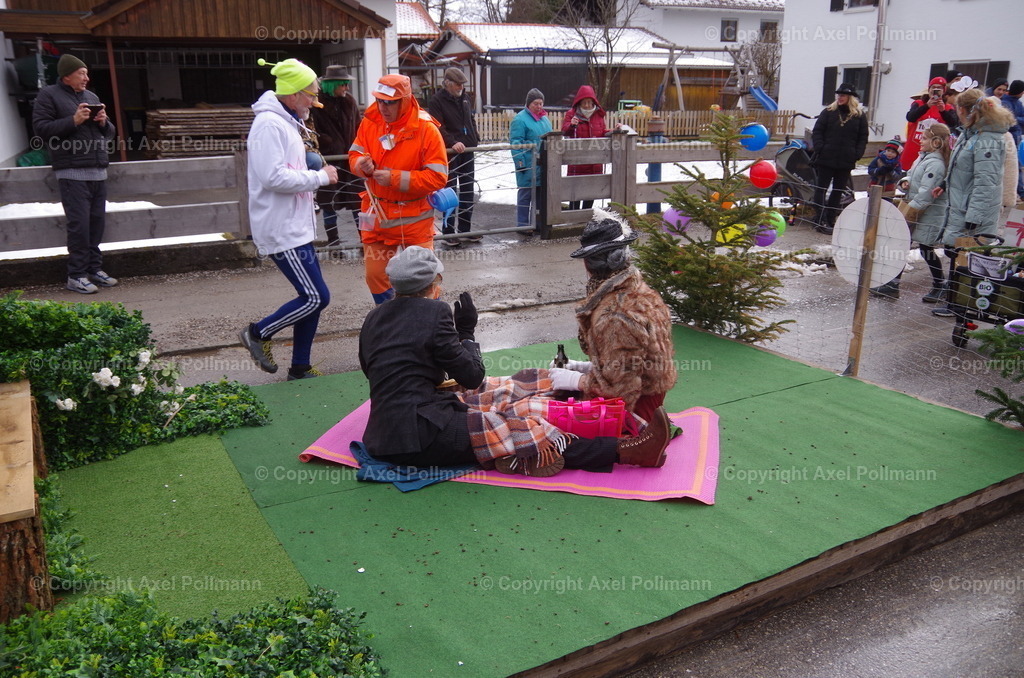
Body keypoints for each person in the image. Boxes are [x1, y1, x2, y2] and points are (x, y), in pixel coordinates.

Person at [358, 245, 671, 478]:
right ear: (434, 281)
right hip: (419, 438)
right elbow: (471, 376)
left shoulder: (374, 317)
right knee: (515, 425)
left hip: (383, 434)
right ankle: (627, 451)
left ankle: (561, 410)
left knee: (508, 388)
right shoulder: (435, 312)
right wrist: (466, 334)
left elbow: (374, 369)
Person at [238, 58, 338, 381]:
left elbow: (286, 171)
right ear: (293, 95)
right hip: (282, 228)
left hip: (294, 226)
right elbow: (273, 178)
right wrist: (319, 177)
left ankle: (300, 367)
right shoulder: (269, 124)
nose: (314, 102)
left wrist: (311, 174)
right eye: (310, 95)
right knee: (315, 296)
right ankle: (258, 332)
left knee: (313, 297)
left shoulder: (285, 121)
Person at [349, 74, 448, 304]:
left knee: (425, 278)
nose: (383, 107)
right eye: (380, 101)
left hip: (414, 219)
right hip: (377, 217)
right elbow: (354, 155)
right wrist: (360, 165)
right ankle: (391, 320)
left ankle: (431, 322)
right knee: (375, 277)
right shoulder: (370, 122)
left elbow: (438, 177)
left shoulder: (426, 129)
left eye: (389, 102)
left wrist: (395, 179)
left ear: (405, 101)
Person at [32, 53, 118, 294]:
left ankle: (94, 269)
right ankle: (76, 275)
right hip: (71, 172)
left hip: (98, 171)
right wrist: (74, 120)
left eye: (87, 73)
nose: (86, 78)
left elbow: (109, 133)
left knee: (96, 225)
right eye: (82, 73)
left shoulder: (91, 97)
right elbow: (41, 130)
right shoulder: (48, 95)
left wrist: (103, 122)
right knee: (79, 226)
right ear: (67, 76)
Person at [932, 89, 1015, 318]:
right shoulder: (972, 134)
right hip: (961, 204)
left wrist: (974, 218)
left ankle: (962, 304)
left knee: (968, 256)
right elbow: (963, 169)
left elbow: (986, 182)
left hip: (973, 211)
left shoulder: (988, 139)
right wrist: (946, 184)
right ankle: (956, 300)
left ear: (964, 110)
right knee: (956, 252)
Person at [872, 125, 951, 301]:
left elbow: (926, 193)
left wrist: (908, 212)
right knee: (906, 245)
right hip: (917, 208)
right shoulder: (923, 158)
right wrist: (906, 182)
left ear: (936, 142)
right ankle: (894, 283)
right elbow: (912, 176)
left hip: (926, 212)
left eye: (924, 138)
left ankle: (939, 284)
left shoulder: (936, 164)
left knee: (925, 248)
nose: (919, 141)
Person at [427, 67, 481, 247]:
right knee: (449, 192)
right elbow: (437, 127)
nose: (461, 87)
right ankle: (448, 231)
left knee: (467, 189)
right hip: (450, 152)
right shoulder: (437, 101)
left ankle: (465, 228)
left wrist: (475, 137)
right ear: (448, 84)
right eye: (458, 84)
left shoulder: (465, 98)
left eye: (462, 84)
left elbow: (470, 119)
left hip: (467, 149)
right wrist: (451, 142)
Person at [309, 65, 361, 246]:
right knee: (329, 203)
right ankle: (333, 241)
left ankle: (365, 240)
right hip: (328, 160)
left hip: (350, 160)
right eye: (343, 84)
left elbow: (359, 127)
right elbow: (311, 131)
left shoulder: (350, 102)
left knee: (357, 201)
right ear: (333, 85)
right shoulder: (316, 104)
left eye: (347, 84)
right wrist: (328, 141)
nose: (346, 88)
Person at [810, 83, 869, 235]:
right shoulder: (828, 112)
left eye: (843, 95)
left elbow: (863, 137)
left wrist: (857, 154)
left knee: (838, 190)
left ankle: (831, 218)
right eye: (839, 95)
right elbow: (817, 132)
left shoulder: (859, 116)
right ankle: (820, 218)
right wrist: (820, 148)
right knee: (821, 189)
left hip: (846, 160)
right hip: (826, 158)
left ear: (850, 97)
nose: (839, 98)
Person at [510, 88, 552, 235]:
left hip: (543, 164)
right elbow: (516, 143)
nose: (539, 106)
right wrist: (520, 163)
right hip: (528, 164)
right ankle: (522, 225)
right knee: (526, 195)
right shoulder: (520, 120)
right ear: (529, 103)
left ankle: (538, 223)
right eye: (536, 103)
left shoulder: (545, 119)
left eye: (541, 103)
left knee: (541, 196)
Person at [561, 85, 607, 211]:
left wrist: (614, 131)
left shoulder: (599, 115)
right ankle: (573, 217)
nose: (587, 105)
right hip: (577, 161)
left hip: (595, 160)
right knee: (575, 190)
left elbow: (602, 132)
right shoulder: (571, 114)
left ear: (593, 102)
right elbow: (564, 131)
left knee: (591, 190)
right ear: (579, 102)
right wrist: (571, 125)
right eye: (584, 102)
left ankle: (586, 217)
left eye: (589, 102)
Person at [902, 76, 958, 171]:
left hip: (935, 150)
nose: (936, 90)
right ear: (929, 89)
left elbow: (953, 123)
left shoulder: (948, 107)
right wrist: (927, 106)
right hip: (914, 146)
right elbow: (910, 117)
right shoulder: (919, 103)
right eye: (933, 87)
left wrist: (943, 111)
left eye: (939, 88)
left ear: (944, 91)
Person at [1001, 80, 1024, 200]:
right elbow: (1010, 121)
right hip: (1010, 137)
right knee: (1013, 165)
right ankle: (1018, 192)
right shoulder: (1005, 102)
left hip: (1017, 136)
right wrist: (1019, 120)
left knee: (1017, 164)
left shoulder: (1018, 103)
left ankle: (1018, 191)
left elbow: (1016, 118)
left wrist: (1017, 119)